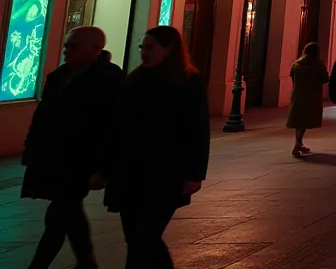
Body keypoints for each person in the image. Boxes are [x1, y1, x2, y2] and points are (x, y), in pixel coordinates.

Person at [104, 26, 210, 269]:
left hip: (166, 174)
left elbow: (197, 130)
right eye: (142, 47)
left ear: (169, 49)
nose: (144, 52)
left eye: (150, 47)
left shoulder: (187, 82)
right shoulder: (135, 79)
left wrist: (194, 174)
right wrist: (105, 165)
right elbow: (117, 126)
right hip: (131, 172)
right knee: (137, 238)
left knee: (143, 238)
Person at [23, 26, 123, 269]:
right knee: (65, 211)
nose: (67, 50)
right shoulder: (60, 76)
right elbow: (44, 117)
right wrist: (33, 150)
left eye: (73, 46)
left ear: (95, 49)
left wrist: (101, 166)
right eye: (67, 45)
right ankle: (85, 262)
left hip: (80, 159)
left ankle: (46, 264)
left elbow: (111, 126)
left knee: (61, 210)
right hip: (56, 157)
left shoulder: (108, 80)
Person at [286, 42, 329, 157]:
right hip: (312, 95)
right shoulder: (317, 64)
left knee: (299, 120)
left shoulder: (296, 64)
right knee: (304, 120)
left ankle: (298, 143)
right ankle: (297, 145)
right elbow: (325, 78)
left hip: (298, 94)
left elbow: (292, 76)